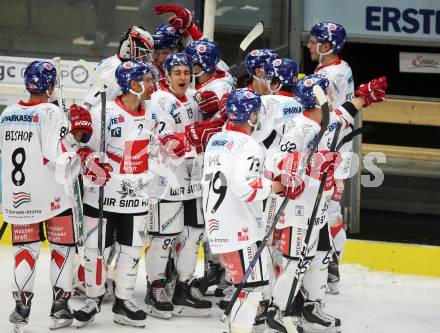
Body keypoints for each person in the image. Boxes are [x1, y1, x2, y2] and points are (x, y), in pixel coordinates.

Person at [265, 73, 387, 332]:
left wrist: (363, 97)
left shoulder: (326, 119)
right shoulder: (300, 127)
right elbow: (278, 162)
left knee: (319, 257)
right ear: (318, 99)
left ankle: (311, 306)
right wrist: (316, 165)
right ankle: (279, 311)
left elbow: (344, 113)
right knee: (293, 260)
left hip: (317, 208)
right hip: (299, 208)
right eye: (328, 93)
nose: (333, 96)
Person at [0, 60, 92, 331]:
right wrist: (74, 139)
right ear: (50, 85)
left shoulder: (7, 113)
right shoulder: (51, 114)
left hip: (19, 198)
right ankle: (60, 309)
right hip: (53, 197)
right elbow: (60, 157)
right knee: (62, 252)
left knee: (24, 253)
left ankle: (21, 310)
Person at [73, 60, 156, 328]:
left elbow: (157, 149)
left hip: (136, 196)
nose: (153, 83)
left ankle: (123, 301)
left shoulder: (153, 112)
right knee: (95, 250)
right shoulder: (102, 113)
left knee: (131, 250)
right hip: (102, 196)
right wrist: (91, 163)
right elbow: (81, 149)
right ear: (134, 84)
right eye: (148, 78)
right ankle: (93, 298)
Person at [202, 89, 287, 333]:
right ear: (251, 115)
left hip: (221, 223)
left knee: (248, 286)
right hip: (241, 228)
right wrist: (276, 186)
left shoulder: (217, 139)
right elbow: (244, 187)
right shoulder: (249, 144)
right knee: (251, 289)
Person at [145, 52, 222, 318]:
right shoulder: (157, 100)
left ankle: (183, 287)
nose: (183, 77)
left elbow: (206, 128)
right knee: (164, 238)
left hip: (192, 178)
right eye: (177, 72)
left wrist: (217, 111)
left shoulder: (193, 97)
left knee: (193, 236)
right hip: (165, 179)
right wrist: (203, 129)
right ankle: (155, 288)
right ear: (166, 74)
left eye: (187, 72)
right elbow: (168, 143)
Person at [306, 21, 354, 296]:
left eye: (314, 42)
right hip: (333, 149)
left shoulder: (331, 75)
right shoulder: (338, 67)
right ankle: (331, 265)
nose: (310, 45)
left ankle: (332, 266)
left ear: (326, 46)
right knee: (325, 210)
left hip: (334, 153)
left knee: (330, 212)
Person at [82, 26, 154, 110]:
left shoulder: (119, 65)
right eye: (143, 52)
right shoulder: (112, 73)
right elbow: (88, 107)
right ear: (128, 48)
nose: (145, 58)